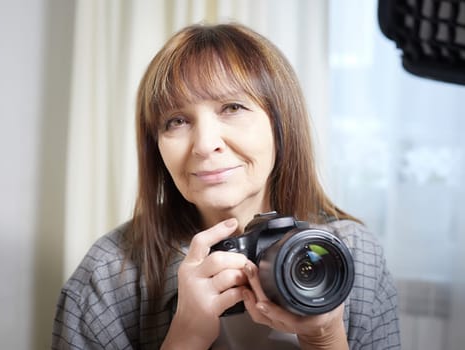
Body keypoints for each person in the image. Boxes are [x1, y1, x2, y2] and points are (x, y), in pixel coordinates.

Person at [52, 23, 400, 350]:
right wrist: (185, 337)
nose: (205, 144)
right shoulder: (110, 274)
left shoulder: (353, 253)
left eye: (232, 107)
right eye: (176, 120)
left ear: (281, 126)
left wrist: (325, 337)